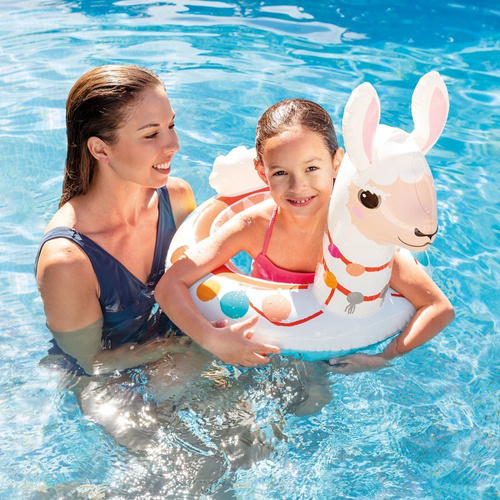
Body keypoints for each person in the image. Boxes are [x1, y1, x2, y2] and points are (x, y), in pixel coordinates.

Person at [154, 98, 455, 371]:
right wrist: (213, 341)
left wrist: (383, 358)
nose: (298, 187)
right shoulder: (254, 227)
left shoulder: (356, 234)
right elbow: (169, 285)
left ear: (336, 163)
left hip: (325, 353)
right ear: (261, 172)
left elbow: (438, 307)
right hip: (256, 347)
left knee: (312, 400)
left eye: (311, 168)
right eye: (280, 173)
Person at [35, 65, 196, 376]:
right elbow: (90, 361)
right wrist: (174, 347)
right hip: (105, 379)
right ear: (101, 149)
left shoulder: (176, 199)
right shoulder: (67, 260)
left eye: (171, 125)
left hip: (173, 354)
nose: (173, 144)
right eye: (151, 134)